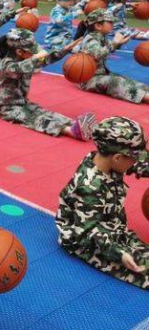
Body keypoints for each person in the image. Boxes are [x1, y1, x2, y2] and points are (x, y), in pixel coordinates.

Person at [57, 116, 148, 289]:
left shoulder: (107, 160)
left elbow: (140, 163)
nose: (136, 161)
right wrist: (119, 254)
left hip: (113, 229)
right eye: (133, 158)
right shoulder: (89, 186)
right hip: (88, 241)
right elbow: (88, 231)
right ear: (118, 158)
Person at [0, 28, 96, 141]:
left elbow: (47, 59)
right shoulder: (7, 64)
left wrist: (66, 49)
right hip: (5, 108)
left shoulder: (26, 60)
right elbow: (22, 67)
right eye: (32, 51)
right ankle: (70, 130)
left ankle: (76, 124)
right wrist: (37, 57)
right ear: (19, 52)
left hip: (22, 103)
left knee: (43, 112)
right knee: (34, 119)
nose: (34, 53)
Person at [74, 9, 149, 104]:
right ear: (98, 26)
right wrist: (115, 43)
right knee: (115, 81)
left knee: (125, 79)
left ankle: (147, 90)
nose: (113, 24)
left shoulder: (101, 37)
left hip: (100, 75)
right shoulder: (90, 38)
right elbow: (97, 54)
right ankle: (146, 97)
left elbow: (110, 48)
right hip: (88, 80)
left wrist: (119, 43)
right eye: (109, 22)